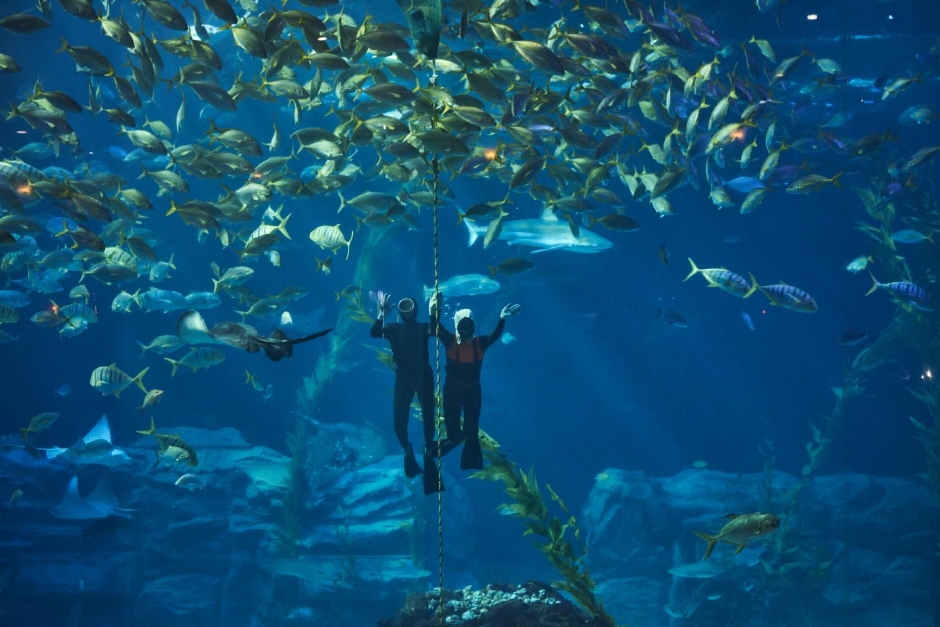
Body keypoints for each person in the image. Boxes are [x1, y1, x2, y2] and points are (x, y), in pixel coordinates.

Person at [429, 294, 521, 470]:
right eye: (462, 324)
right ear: (457, 325)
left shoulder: (476, 342)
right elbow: (436, 327)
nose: (465, 328)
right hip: (457, 393)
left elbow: (494, 335)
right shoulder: (460, 342)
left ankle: (439, 453)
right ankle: (433, 452)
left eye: (468, 324)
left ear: (473, 325)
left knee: (471, 432)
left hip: (465, 393)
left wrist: (502, 318)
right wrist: (434, 310)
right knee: (456, 435)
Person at [370, 293, 437, 482]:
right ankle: (408, 452)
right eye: (404, 306)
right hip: (405, 376)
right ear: (399, 312)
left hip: (423, 375)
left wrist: (433, 312)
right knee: (399, 420)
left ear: (415, 310)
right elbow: (374, 332)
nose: (407, 309)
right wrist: (381, 314)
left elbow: (435, 330)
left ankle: (428, 451)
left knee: (428, 417)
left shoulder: (423, 328)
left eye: (409, 305)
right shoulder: (393, 329)